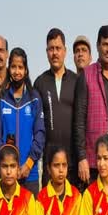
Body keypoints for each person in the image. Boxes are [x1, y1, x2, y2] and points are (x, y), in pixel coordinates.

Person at [75, 26, 108, 187]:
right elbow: (78, 120)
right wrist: (81, 158)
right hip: (93, 163)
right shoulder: (86, 75)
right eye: (105, 44)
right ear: (98, 46)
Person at [0, 47, 46, 196]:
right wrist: (5, 164)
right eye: (14, 67)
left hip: (30, 174)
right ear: (9, 69)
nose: (17, 72)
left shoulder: (34, 98)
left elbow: (40, 134)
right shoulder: (1, 99)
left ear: (26, 70)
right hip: (7, 174)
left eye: (20, 67)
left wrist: (28, 164)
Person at [34, 28, 79, 187]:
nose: (55, 53)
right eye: (51, 49)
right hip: (49, 162)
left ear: (65, 51)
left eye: (58, 48)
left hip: (72, 162)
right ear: (46, 52)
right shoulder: (40, 83)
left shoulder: (76, 81)